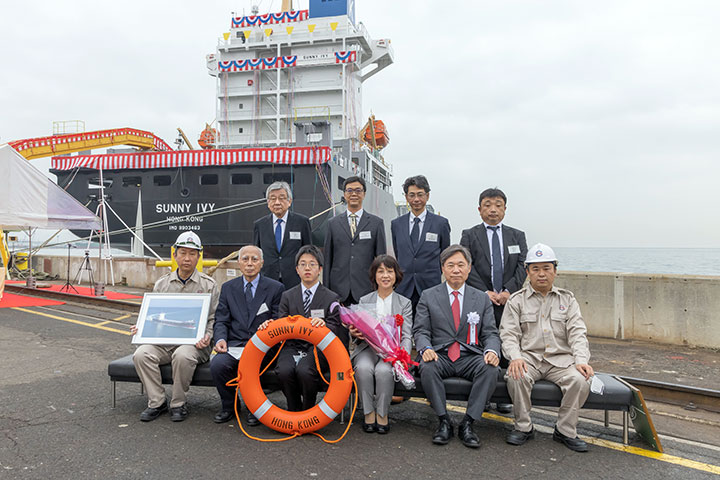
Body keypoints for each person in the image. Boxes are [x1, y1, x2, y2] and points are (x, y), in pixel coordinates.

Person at [500, 243, 594, 452]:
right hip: (529, 359)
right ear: (527, 272)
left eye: (546, 268)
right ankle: (523, 427)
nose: (541, 274)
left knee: (580, 380)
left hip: (561, 360)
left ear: (555, 271)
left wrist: (581, 361)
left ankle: (565, 430)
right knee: (517, 376)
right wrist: (515, 357)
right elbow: (508, 334)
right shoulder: (516, 300)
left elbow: (578, 332)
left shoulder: (567, 299)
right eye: (535, 269)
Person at [413, 244, 501, 448]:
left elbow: (490, 332)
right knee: (427, 367)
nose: (456, 270)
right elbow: (421, 330)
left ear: (469, 268)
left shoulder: (481, 298)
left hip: (469, 356)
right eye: (450, 265)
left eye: (461, 265)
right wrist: (425, 348)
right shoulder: (429, 295)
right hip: (440, 355)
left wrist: (491, 351)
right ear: (442, 268)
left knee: (490, 369)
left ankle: (468, 423)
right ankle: (444, 421)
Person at [131, 232, 219, 422]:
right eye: (183, 253)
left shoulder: (209, 285)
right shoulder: (162, 284)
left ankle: (178, 403)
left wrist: (208, 336)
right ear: (175, 255)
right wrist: (141, 328)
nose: (187, 258)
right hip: (165, 342)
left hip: (196, 345)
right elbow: (153, 316)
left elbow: (213, 319)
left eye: (192, 254)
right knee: (141, 354)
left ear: (198, 256)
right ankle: (157, 402)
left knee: (182, 355)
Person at [460, 187, 527, 413]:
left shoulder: (517, 236)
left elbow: (522, 267)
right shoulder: (469, 235)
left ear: (505, 209)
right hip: (481, 300)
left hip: (509, 301)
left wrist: (508, 290)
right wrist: (483, 292)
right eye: (487, 205)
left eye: (498, 205)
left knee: (509, 345)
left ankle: (504, 396)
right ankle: (484, 394)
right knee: (480, 345)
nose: (493, 210)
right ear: (479, 210)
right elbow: (466, 265)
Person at [258, 245, 347, 411]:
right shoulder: (287, 296)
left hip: (317, 348)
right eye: (303, 264)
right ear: (297, 269)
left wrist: (324, 325)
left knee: (305, 371)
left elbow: (335, 326)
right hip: (292, 346)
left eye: (312, 264)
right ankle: (294, 408)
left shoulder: (331, 297)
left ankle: (308, 408)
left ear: (320, 269)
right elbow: (282, 322)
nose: (307, 268)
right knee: (283, 371)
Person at [210, 245, 284, 424]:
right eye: (245, 259)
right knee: (218, 365)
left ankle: (255, 407)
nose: (249, 264)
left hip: (264, 347)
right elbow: (221, 319)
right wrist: (220, 339)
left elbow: (279, 319)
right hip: (235, 345)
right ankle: (230, 406)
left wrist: (272, 326)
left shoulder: (276, 288)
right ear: (239, 263)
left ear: (261, 263)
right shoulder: (228, 288)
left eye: (254, 259)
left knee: (251, 363)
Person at [351, 255, 413, 434]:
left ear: (396, 275)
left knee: (383, 371)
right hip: (368, 348)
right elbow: (358, 333)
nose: (385, 275)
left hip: (393, 352)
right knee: (363, 368)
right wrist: (354, 333)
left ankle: (383, 414)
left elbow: (407, 335)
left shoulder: (405, 303)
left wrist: (403, 356)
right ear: (374, 276)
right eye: (381, 271)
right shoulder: (365, 300)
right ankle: (368, 413)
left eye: (389, 271)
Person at [390, 175, 450, 312]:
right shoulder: (396, 224)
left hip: (431, 287)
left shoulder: (440, 224)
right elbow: (399, 253)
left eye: (420, 195)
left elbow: (445, 256)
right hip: (404, 288)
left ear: (427, 196)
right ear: (406, 197)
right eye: (412, 195)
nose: (416, 199)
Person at [324, 176, 386, 305]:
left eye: (358, 191)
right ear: (344, 194)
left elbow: (381, 260)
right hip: (338, 291)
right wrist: (327, 290)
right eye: (349, 191)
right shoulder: (332, 224)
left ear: (364, 194)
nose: (353, 194)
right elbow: (328, 259)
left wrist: (381, 289)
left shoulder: (376, 223)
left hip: (366, 290)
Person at [253, 181, 312, 289]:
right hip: (267, 280)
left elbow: (308, 251)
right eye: (273, 198)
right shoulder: (260, 225)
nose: (277, 202)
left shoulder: (302, 222)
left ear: (289, 201)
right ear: (268, 202)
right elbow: (256, 253)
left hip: (295, 280)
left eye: (281, 198)